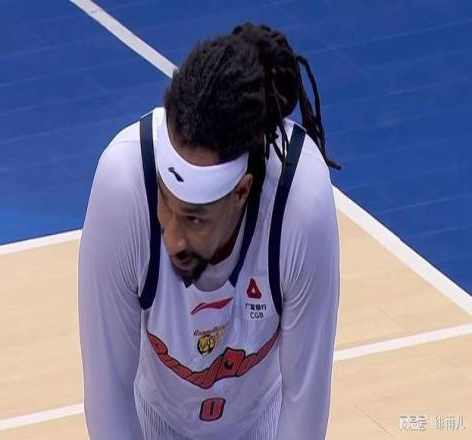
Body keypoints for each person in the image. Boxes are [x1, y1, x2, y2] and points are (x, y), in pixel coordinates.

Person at [78, 22, 340, 440]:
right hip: (153, 419)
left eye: (194, 218)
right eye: (166, 202)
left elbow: (305, 403)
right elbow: (106, 393)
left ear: (241, 192)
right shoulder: (124, 185)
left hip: (262, 421)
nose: (172, 238)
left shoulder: (299, 203)